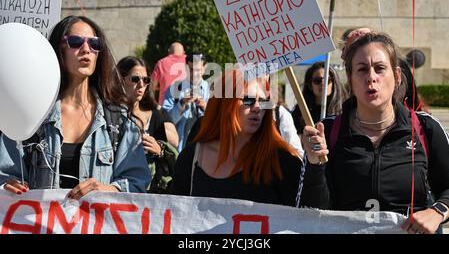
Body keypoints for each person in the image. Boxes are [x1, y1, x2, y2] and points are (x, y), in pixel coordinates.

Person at [301, 32, 449, 234]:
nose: (371, 77)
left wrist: (437, 212)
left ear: (397, 76)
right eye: (362, 70)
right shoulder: (326, 131)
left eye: (380, 68)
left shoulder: (425, 127)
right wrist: (314, 164)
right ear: (351, 80)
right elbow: (311, 213)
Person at [0, 15, 151, 198]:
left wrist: (107, 190)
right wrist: (8, 186)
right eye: (76, 41)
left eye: (94, 43)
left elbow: (137, 182)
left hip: (96, 225)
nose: (86, 49)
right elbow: (5, 174)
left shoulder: (117, 119)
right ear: (59, 49)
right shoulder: (32, 112)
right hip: (40, 224)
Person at [171, 69, 315, 207]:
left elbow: (309, 215)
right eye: (248, 100)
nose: (257, 107)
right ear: (224, 103)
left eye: (264, 101)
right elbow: (174, 214)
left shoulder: (282, 162)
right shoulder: (192, 157)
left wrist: (316, 166)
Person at [116, 56, 179, 193]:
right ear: (120, 79)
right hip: (117, 189)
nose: (141, 85)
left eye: (145, 80)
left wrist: (160, 149)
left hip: (150, 192)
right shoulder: (110, 113)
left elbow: (174, 141)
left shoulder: (157, 113)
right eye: (135, 79)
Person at [162, 54, 210, 151]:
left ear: (205, 68)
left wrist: (206, 107)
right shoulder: (175, 88)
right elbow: (166, 122)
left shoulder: (211, 90)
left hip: (202, 149)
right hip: (178, 149)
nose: (194, 74)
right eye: (191, 69)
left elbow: (217, 120)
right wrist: (182, 103)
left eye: (198, 70)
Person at [291, 62, 347, 134]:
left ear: (333, 83)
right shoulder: (300, 112)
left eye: (327, 80)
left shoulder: (344, 110)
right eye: (317, 80)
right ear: (310, 86)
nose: (323, 83)